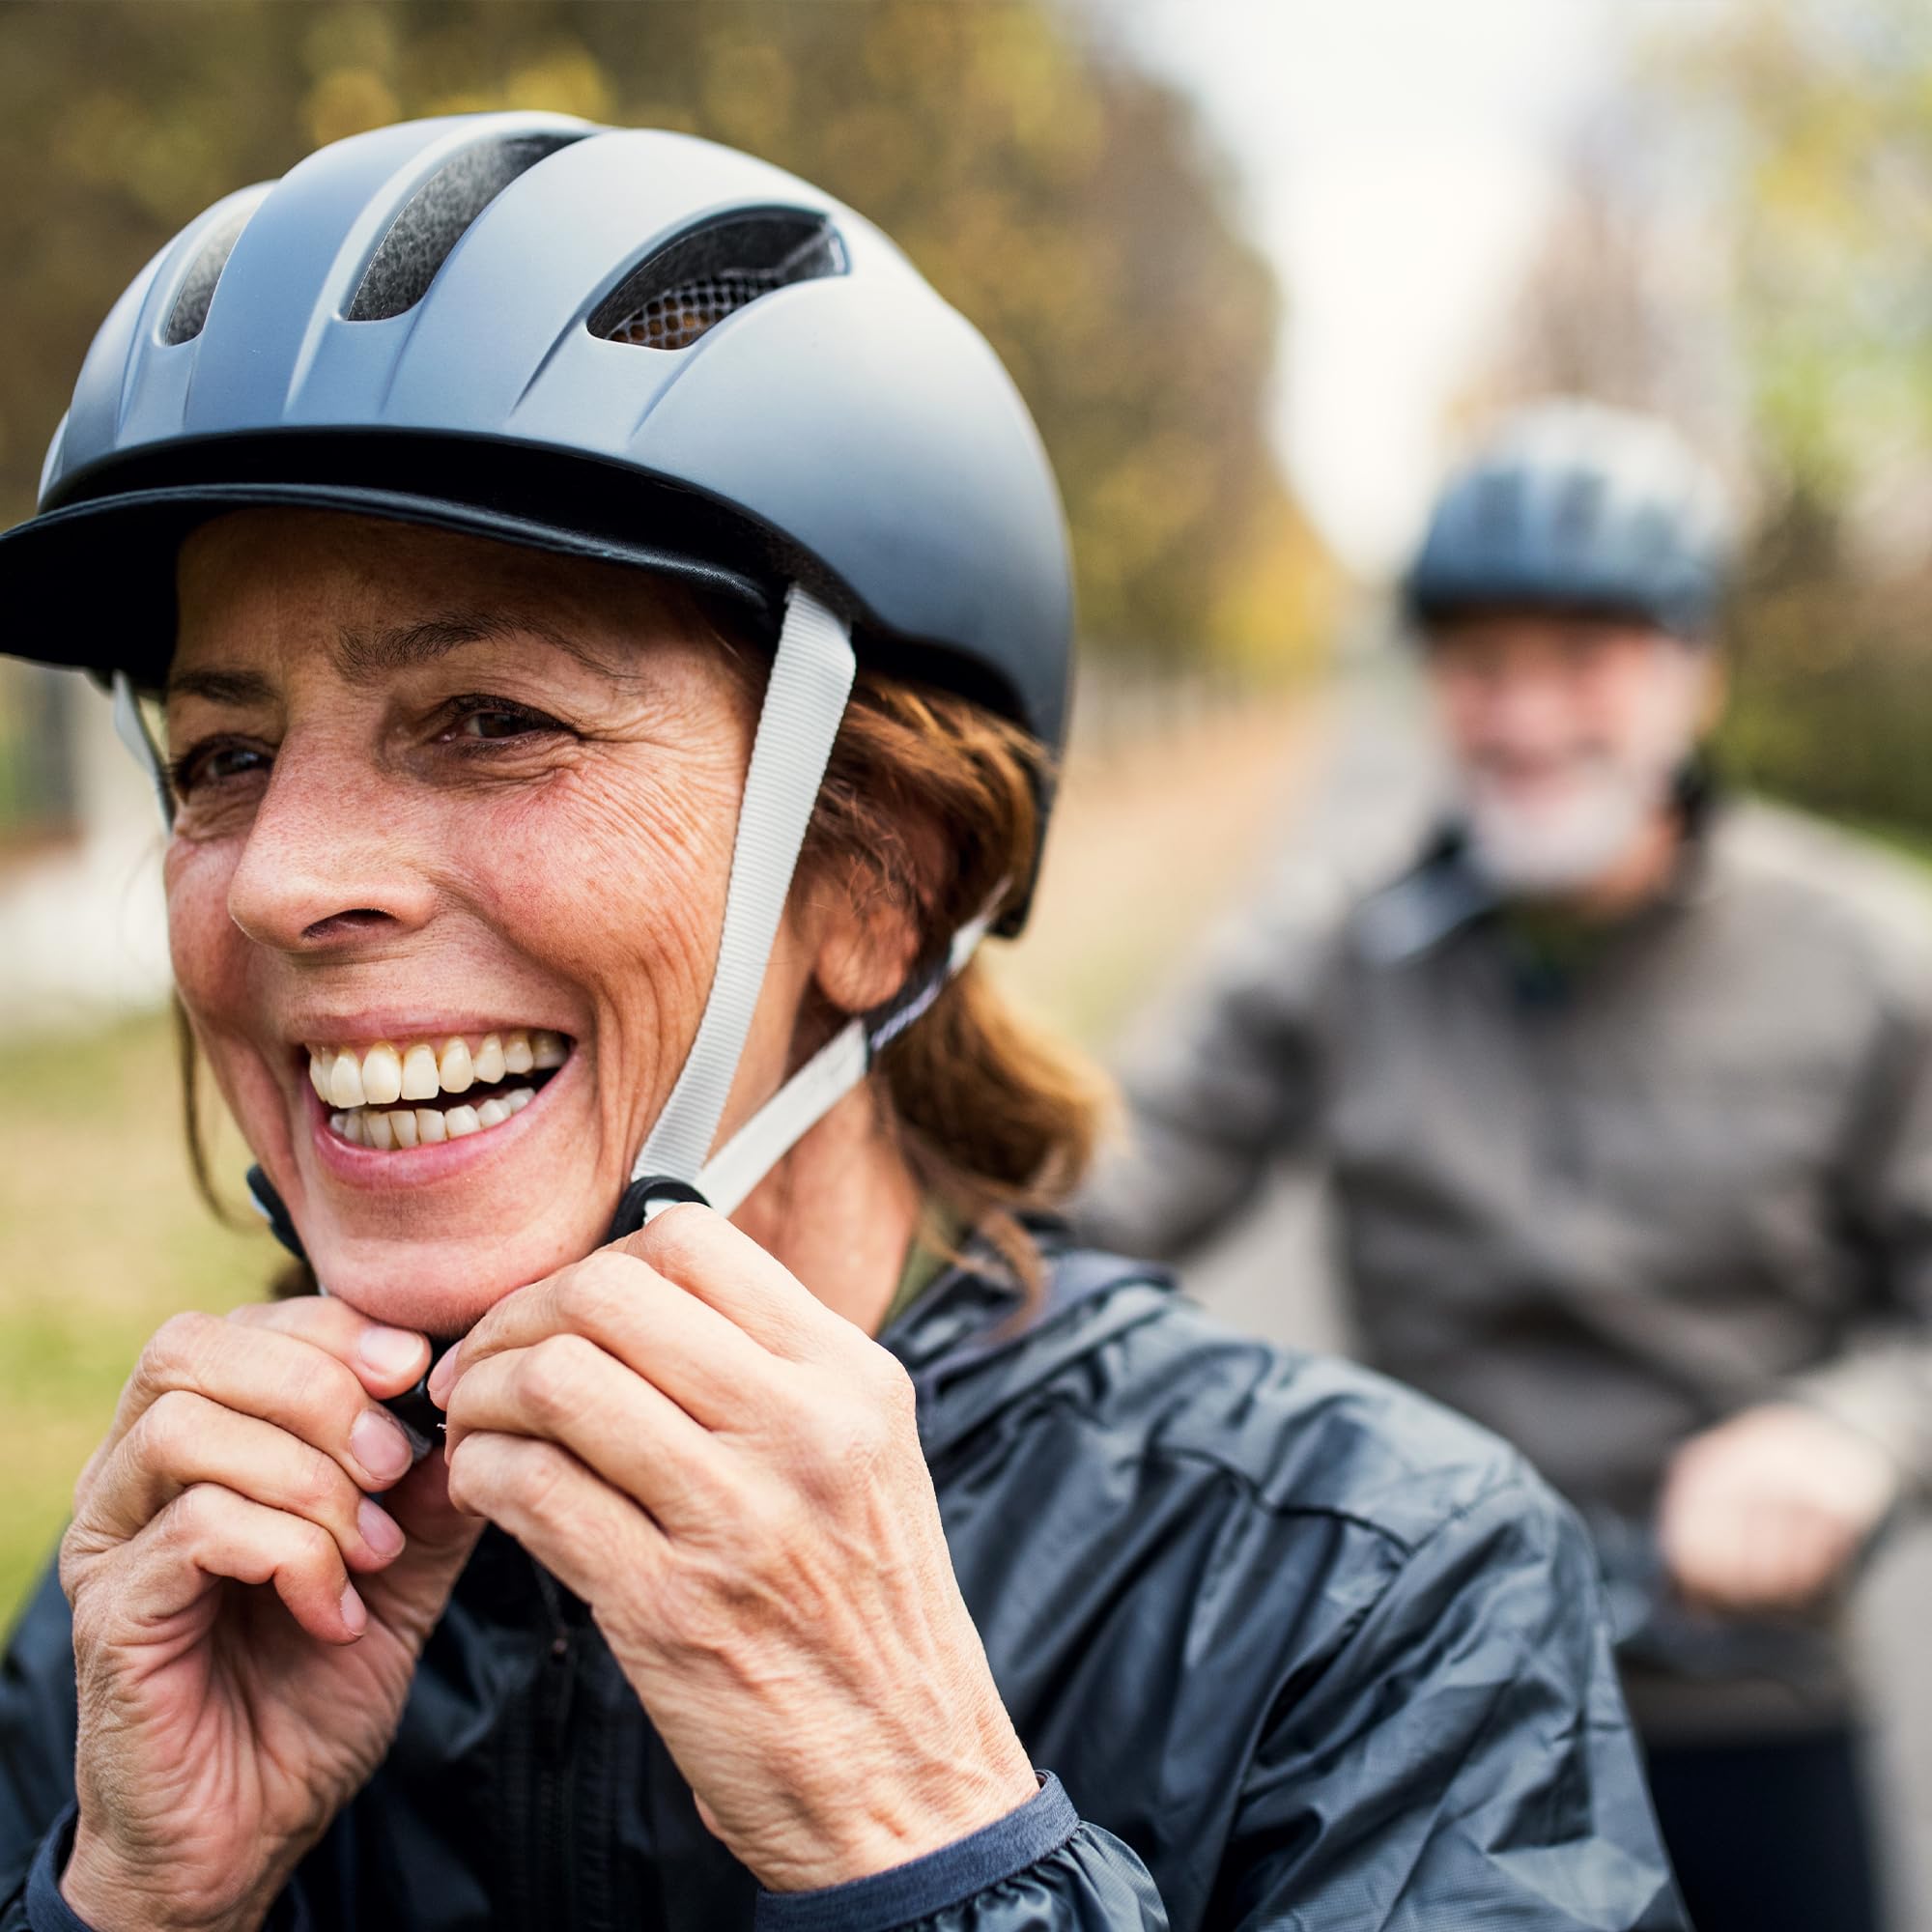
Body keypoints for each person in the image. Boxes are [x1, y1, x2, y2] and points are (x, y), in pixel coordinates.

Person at [0, 119, 1681, 1932]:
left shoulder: (1386, 1604)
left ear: (883, 878)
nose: (278, 883)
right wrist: (134, 1903)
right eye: (225, 757)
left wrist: (927, 1833)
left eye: (491, 720)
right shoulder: (168, 1587)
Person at [1081, 397, 1929, 1932]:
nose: (1525, 717)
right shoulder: (1339, 942)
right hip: (1433, 1690)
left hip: (1749, 1692)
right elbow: (1105, 1189)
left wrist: (1850, 1433)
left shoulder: (1870, 961)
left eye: (1584, 659)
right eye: (1482, 664)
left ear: (1695, 672)